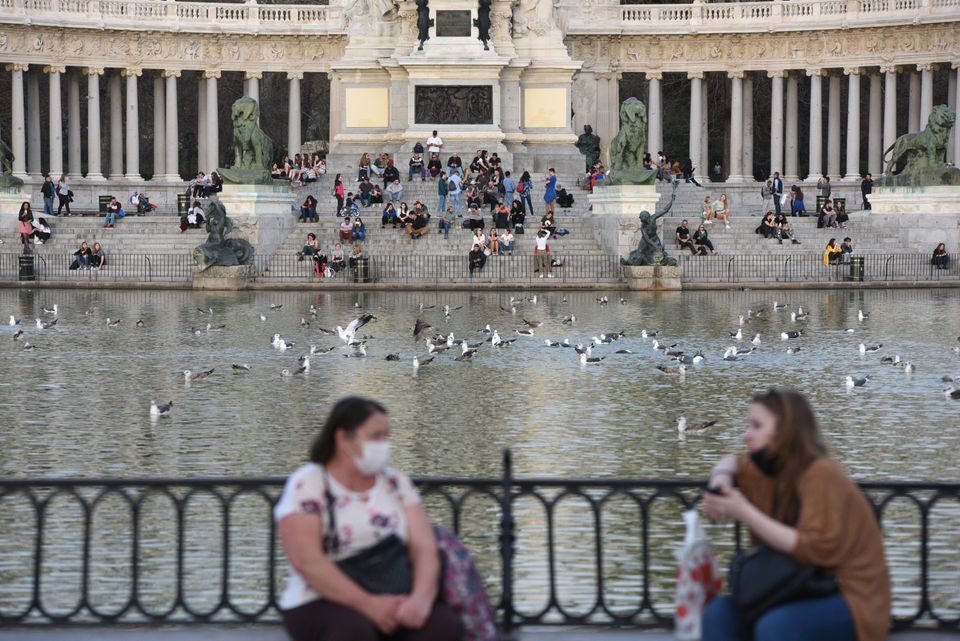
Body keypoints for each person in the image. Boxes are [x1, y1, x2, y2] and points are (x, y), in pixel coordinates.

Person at [701, 388, 890, 641]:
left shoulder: (821, 474)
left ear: (785, 431)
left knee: (777, 627)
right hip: (792, 587)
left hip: (850, 596)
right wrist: (721, 479)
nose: (747, 435)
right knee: (718, 613)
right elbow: (733, 461)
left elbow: (814, 548)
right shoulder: (766, 467)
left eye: (756, 426)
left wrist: (743, 510)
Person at [275, 399, 459, 641]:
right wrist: (369, 604)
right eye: (376, 436)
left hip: (394, 591)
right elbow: (306, 561)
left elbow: (425, 548)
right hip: (319, 598)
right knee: (353, 631)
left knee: (442, 626)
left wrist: (420, 601)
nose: (384, 444)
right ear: (343, 438)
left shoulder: (396, 483)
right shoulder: (308, 484)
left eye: (386, 436)